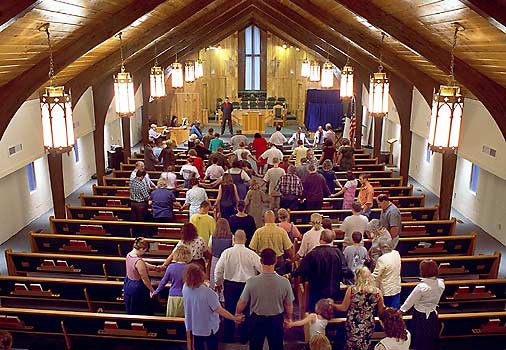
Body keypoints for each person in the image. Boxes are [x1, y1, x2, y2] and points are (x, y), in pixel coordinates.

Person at [236, 248, 294, 350]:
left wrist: (238, 313)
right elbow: (288, 304)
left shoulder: (251, 281)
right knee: (276, 347)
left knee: (255, 347)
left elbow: (242, 302)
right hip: (276, 320)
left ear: (261, 261)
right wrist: (288, 318)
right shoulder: (284, 282)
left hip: (257, 320)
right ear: (275, 261)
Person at [215, 230, 262, 343]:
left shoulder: (226, 253)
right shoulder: (251, 254)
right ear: (245, 240)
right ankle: (244, 337)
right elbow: (261, 268)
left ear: (233, 239)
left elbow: (218, 269)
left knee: (229, 309)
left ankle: (228, 336)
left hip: (230, 285)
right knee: (245, 310)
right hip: (247, 285)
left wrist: (218, 283)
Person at [183, 264, 243, 350]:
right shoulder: (207, 292)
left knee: (198, 346)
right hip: (208, 327)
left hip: (194, 325)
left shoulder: (185, 287)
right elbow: (219, 309)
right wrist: (234, 318)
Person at [333, 266, 385, 350]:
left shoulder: (352, 290)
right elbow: (381, 310)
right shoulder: (377, 292)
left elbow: (343, 308)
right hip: (368, 323)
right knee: (365, 344)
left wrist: (332, 304)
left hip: (353, 323)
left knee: (351, 345)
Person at [293, 229, 344, 311]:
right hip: (333, 290)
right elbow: (345, 270)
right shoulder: (338, 253)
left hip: (316, 292)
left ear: (320, 238)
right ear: (332, 239)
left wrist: (291, 274)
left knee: (316, 313)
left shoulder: (313, 254)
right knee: (330, 313)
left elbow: (301, 270)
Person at [400, 259, 444, 350]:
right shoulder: (441, 284)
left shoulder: (421, 287)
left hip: (420, 316)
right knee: (431, 339)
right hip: (432, 315)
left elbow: (409, 302)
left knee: (419, 340)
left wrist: (400, 311)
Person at [152, 245, 192, 317]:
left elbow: (163, 282)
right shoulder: (190, 268)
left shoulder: (171, 267)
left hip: (173, 296)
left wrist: (156, 292)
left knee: (172, 320)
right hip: (187, 296)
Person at [124, 237, 158, 315]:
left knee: (132, 308)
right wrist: (152, 290)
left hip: (129, 283)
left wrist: (154, 267)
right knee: (141, 309)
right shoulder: (138, 262)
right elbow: (145, 279)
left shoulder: (129, 255)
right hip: (137, 288)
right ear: (141, 249)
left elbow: (143, 263)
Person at [372, 236, 402, 308]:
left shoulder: (382, 259)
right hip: (396, 287)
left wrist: (365, 278)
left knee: (386, 313)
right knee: (394, 312)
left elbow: (376, 275)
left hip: (386, 290)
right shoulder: (396, 253)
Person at [208, 218, 233, 297]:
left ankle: (215, 296)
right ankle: (223, 297)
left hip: (215, 259)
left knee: (214, 277)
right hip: (227, 260)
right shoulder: (231, 237)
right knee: (225, 277)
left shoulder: (213, 237)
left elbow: (209, 248)